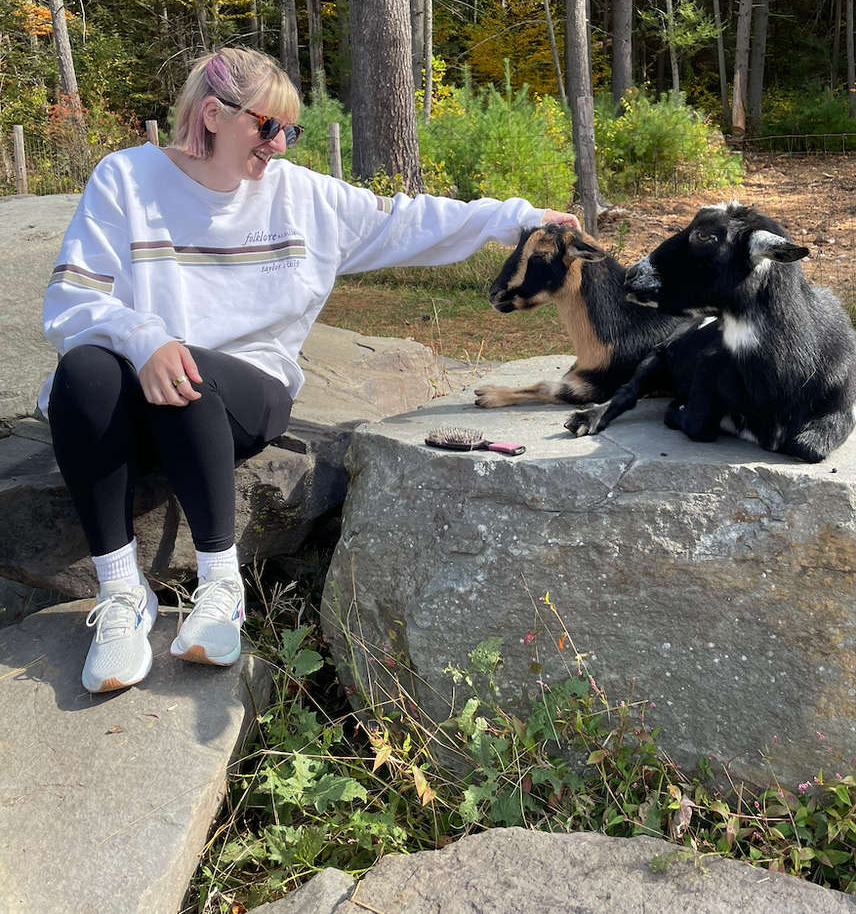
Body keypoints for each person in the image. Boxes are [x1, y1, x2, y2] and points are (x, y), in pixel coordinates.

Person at [39, 47, 580, 694]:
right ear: (212, 114)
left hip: (245, 390)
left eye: (289, 131)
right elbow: (74, 300)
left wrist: (515, 219)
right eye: (267, 127)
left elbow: (409, 219)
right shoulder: (125, 179)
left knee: (189, 373)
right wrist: (144, 337)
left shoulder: (302, 198)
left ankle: (221, 590)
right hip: (147, 384)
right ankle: (123, 594)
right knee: (83, 374)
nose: (280, 146)